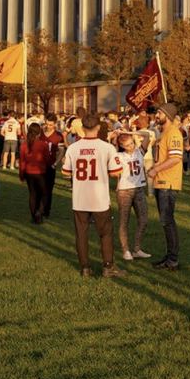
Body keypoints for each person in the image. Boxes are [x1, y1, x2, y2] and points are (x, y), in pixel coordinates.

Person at [62, 114, 123, 278]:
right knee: (105, 232)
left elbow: (66, 172)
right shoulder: (106, 147)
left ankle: (85, 267)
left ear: (82, 128)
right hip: (99, 196)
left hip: (80, 196)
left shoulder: (73, 148)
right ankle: (108, 266)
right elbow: (115, 172)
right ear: (98, 127)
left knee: (81, 233)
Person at [148, 104, 185, 270]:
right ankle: (170, 256)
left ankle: (173, 260)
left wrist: (156, 169)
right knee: (165, 221)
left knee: (167, 221)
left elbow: (176, 158)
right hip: (161, 181)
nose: (156, 115)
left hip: (168, 183)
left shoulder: (173, 133)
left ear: (167, 115)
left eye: (159, 113)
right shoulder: (164, 132)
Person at [113, 130, 150, 262]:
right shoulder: (118, 155)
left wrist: (126, 131)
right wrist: (115, 137)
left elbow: (147, 135)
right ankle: (126, 251)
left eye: (132, 143)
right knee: (124, 221)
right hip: (124, 190)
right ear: (122, 146)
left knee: (143, 220)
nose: (131, 146)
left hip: (139, 189)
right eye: (127, 145)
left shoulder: (139, 152)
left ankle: (137, 249)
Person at [19, 123, 53, 224]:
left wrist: (21, 175)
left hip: (29, 172)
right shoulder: (43, 145)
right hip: (40, 172)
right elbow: (47, 159)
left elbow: (22, 162)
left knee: (33, 194)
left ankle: (34, 215)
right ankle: (40, 212)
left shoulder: (24, 145)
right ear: (39, 133)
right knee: (45, 193)